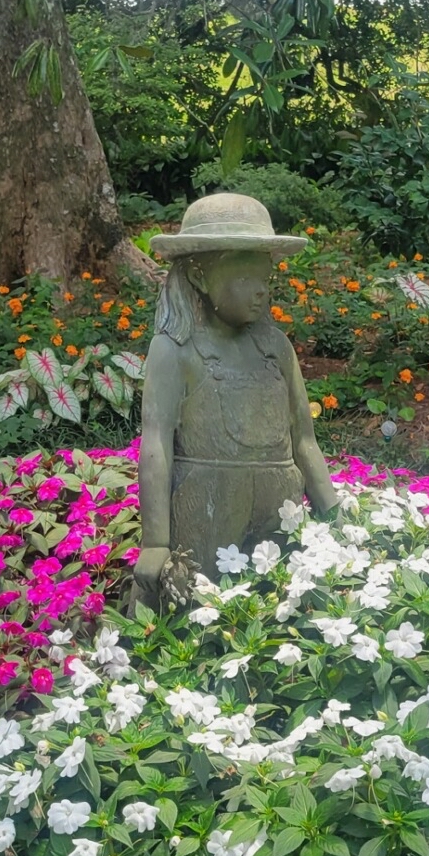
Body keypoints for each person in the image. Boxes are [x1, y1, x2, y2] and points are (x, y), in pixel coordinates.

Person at [134, 193, 338, 605]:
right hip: (205, 511)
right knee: (198, 621)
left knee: (280, 615)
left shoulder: (277, 349)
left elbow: (304, 440)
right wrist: (156, 541)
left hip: (278, 512)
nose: (261, 291)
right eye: (245, 278)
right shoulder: (175, 350)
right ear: (198, 277)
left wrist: (333, 513)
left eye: (264, 278)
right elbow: (156, 442)